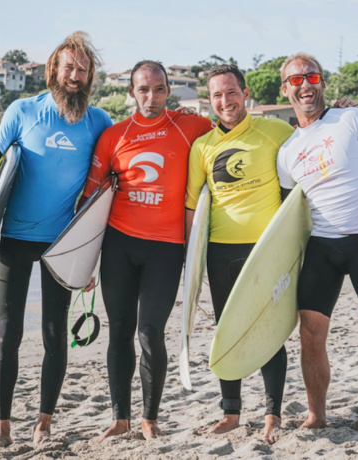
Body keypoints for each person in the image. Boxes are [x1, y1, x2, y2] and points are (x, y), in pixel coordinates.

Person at [0, 31, 112, 447]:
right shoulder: (23, 110)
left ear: (89, 78)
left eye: (83, 70)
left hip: (62, 245)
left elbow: (106, 188)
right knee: (7, 332)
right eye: (69, 67)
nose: (75, 76)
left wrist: (89, 258)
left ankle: (44, 421)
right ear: (54, 69)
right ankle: (3, 424)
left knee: (54, 333)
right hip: (14, 235)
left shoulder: (98, 121)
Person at [277, 52, 358, 432]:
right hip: (321, 245)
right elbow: (290, 213)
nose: (305, 84)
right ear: (285, 89)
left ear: (322, 81)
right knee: (310, 331)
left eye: (312, 76)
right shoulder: (287, 153)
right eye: (296, 79)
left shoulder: (352, 118)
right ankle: (317, 415)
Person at [82, 60, 213, 442]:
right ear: (131, 92)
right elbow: (91, 200)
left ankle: (149, 418)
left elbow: (228, 136)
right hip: (119, 245)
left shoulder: (191, 127)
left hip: (166, 248)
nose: (151, 97)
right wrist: (83, 262)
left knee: (151, 331)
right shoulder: (112, 136)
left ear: (169, 91)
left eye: (158, 89)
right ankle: (120, 418)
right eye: (143, 89)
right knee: (119, 331)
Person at [184, 64, 296, 444]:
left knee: (269, 331)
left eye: (231, 92)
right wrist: (190, 263)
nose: (225, 101)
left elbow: (312, 140)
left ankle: (272, 414)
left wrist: (341, 109)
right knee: (227, 331)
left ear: (245, 93)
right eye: (217, 95)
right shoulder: (202, 147)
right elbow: (191, 207)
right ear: (209, 100)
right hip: (219, 251)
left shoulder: (276, 131)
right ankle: (231, 412)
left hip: (265, 250)